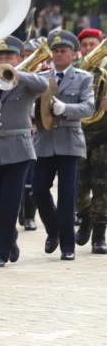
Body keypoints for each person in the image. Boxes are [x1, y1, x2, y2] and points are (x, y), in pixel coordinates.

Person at [0, 36, 48, 267]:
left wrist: (17, 72)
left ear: (19, 58)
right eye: (0, 57)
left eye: (9, 57)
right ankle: (10, 237)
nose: (3, 60)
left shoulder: (25, 82)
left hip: (18, 149)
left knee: (9, 202)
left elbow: (44, 85)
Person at [32, 30, 95, 260]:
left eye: (63, 51)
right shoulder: (41, 78)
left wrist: (65, 109)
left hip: (69, 141)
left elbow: (89, 107)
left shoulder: (83, 78)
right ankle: (54, 230)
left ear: (73, 54)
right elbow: (31, 106)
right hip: (44, 142)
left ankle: (68, 246)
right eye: (55, 51)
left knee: (67, 196)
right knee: (38, 190)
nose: (58, 55)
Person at [75, 29, 107, 254]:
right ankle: (84, 216)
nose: (89, 49)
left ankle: (99, 234)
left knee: (102, 189)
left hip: (103, 137)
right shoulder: (75, 72)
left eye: (93, 44)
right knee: (77, 188)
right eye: (85, 45)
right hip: (78, 135)